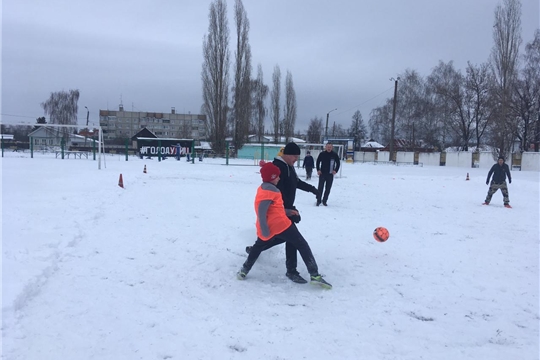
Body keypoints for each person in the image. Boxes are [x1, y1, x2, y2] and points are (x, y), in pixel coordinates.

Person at [237, 163, 331, 288]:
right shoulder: (271, 191)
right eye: (277, 177)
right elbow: (261, 212)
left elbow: (273, 208)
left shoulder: (263, 189)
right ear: (271, 177)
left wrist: (287, 212)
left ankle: (244, 271)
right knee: (302, 244)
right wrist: (265, 230)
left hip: (271, 224)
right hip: (280, 225)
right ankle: (315, 275)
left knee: (259, 246)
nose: (279, 179)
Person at [246, 142, 319, 284]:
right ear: (286, 154)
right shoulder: (278, 168)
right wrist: (287, 211)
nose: (296, 159)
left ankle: (256, 249)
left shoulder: (289, 167)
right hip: (280, 212)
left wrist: (311, 189)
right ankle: (291, 270)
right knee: (294, 241)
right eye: (294, 156)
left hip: (286, 209)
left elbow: (296, 182)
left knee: (281, 238)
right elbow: (272, 194)